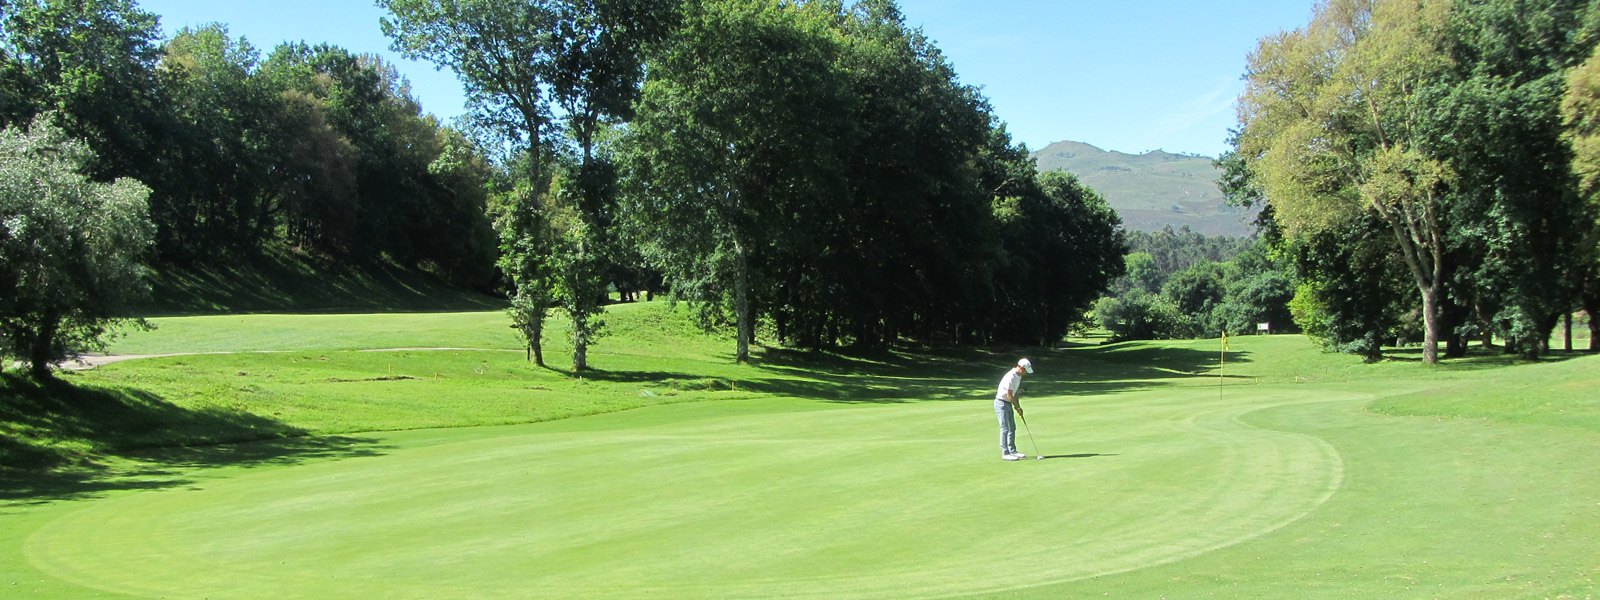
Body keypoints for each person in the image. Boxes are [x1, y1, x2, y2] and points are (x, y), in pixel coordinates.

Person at [994, 358, 1033, 461]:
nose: (1025, 373)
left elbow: (1015, 393)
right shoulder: (1011, 376)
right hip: (1001, 403)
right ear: (1021, 368)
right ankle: (1005, 453)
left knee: (1012, 427)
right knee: (1005, 428)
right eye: (1025, 371)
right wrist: (1017, 407)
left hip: (1008, 403)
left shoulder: (1018, 376)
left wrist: (1018, 406)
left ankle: (1013, 450)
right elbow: (1009, 395)